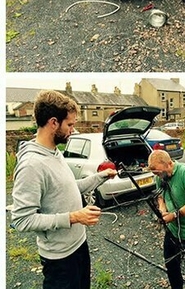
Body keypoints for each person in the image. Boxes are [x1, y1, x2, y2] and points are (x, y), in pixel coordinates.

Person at [11, 90, 117, 289]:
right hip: (59, 260)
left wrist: (100, 177)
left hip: (78, 246)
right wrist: (74, 217)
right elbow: (21, 220)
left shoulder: (54, 152)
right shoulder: (31, 165)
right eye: (69, 124)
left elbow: (67, 189)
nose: (73, 130)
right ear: (53, 123)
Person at [148, 150, 185, 289]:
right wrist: (162, 209)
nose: (156, 175)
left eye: (158, 171)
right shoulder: (159, 176)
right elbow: (160, 195)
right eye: (154, 172)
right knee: (171, 265)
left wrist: (174, 215)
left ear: (169, 164)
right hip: (173, 231)